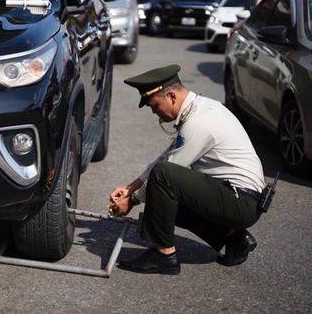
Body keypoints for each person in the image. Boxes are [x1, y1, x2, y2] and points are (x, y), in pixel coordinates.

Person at [108, 64, 266, 275]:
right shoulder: (200, 108)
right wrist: (130, 188)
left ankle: (164, 255)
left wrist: (133, 200)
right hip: (237, 197)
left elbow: (167, 169)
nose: (156, 114)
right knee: (164, 193)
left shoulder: (198, 122)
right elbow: (167, 155)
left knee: (164, 178)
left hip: (241, 202)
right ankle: (234, 237)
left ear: (171, 96)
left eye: (155, 106)